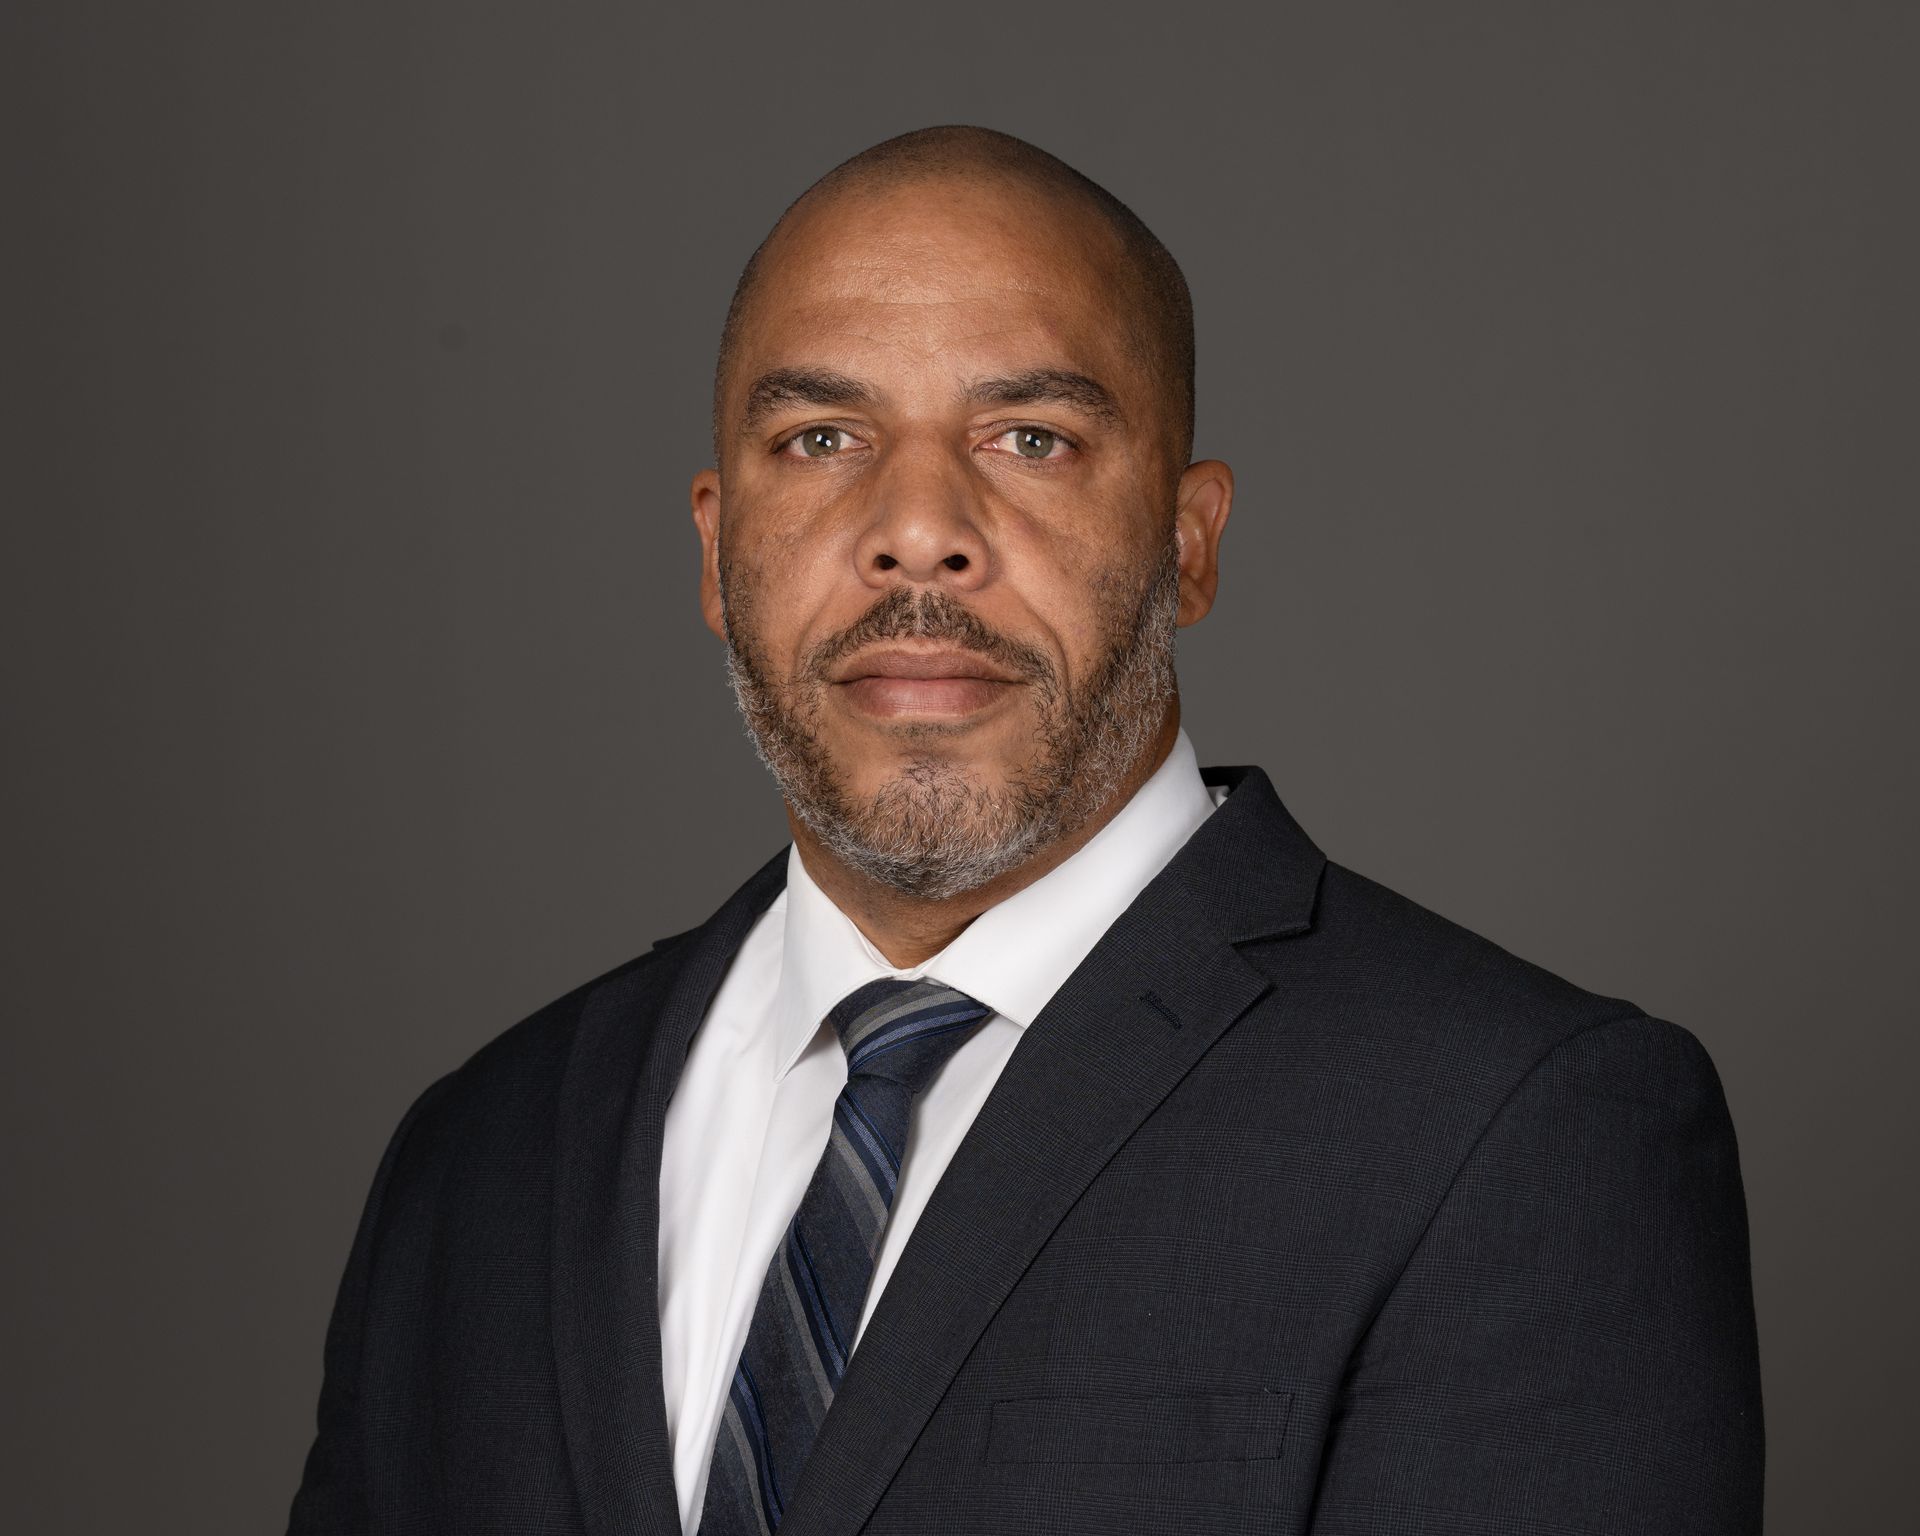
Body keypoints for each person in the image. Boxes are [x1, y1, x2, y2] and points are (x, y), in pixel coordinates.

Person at [288, 125, 1764, 1535]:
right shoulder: (478, 1154)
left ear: (1187, 543)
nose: (917, 526)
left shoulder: (1516, 1132)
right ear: (716, 551)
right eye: (817, 437)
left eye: (1031, 437)